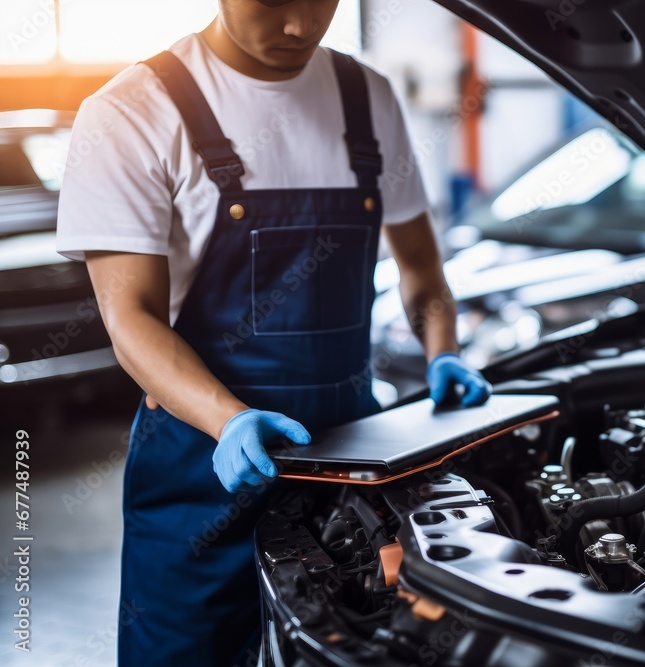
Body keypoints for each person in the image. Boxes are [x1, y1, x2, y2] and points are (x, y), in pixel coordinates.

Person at [55, 1, 491, 665]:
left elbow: (423, 270)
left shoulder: (365, 96)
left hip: (350, 470)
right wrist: (229, 418)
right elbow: (131, 318)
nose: (298, 26)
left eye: (319, 1)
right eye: (272, 3)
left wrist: (443, 352)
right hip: (201, 477)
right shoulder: (131, 112)